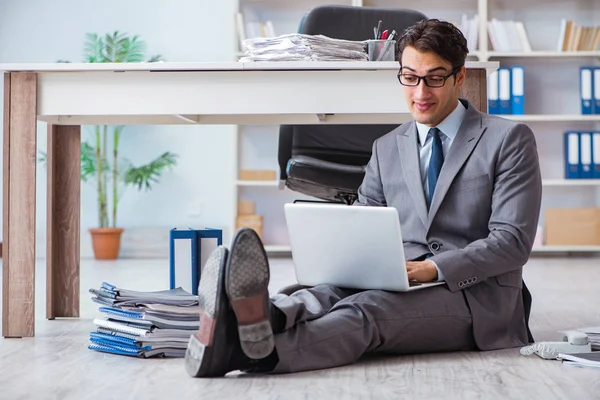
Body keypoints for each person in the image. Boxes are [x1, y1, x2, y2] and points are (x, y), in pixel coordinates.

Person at [184, 18, 542, 377]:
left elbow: (511, 243)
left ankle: (251, 354)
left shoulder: (508, 139)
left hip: (474, 297)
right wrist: (343, 260)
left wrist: (433, 268)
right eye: (410, 77)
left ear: (459, 77)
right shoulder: (386, 148)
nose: (420, 93)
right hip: (399, 276)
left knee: (367, 310)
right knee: (317, 292)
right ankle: (264, 315)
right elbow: (363, 226)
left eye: (435, 78)